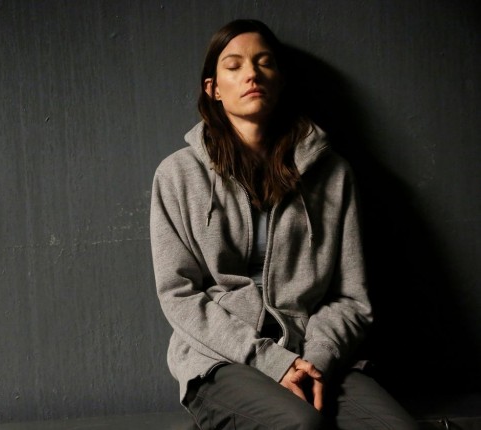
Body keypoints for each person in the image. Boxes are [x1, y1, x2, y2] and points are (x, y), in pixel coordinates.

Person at [149, 19, 418, 429]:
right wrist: (272, 361)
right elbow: (178, 294)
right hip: (221, 359)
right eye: (234, 65)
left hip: (313, 351)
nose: (252, 74)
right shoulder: (177, 176)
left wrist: (316, 360)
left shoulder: (333, 175)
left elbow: (351, 298)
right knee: (301, 424)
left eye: (264, 63)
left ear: (281, 81)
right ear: (213, 89)